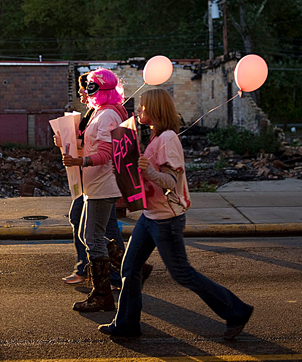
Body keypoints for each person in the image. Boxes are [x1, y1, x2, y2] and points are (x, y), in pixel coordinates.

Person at [98, 88, 254, 340]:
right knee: (129, 267)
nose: (139, 110)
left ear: (156, 109)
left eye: (144, 107)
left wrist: (147, 171)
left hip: (166, 219)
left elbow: (171, 181)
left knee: (182, 273)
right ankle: (127, 325)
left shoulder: (169, 138)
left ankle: (236, 311)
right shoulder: (156, 136)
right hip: (150, 216)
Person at [60, 69, 126, 312]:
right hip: (94, 185)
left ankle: (102, 295)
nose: (86, 90)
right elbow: (91, 145)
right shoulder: (101, 112)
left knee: (93, 239)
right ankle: (129, 267)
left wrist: (80, 162)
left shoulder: (108, 115)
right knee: (90, 236)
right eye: (87, 86)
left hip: (102, 185)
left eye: (91, 86)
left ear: (104, 89)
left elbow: (107, 155)